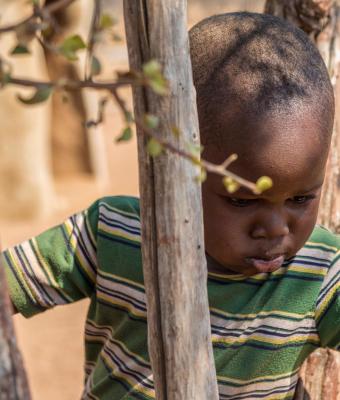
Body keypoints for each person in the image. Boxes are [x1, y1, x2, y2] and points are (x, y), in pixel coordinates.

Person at [2, 12, 339, 400]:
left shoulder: (319, 273)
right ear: (179, 165)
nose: (277, 228)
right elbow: (11, 282)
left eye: (301, 198)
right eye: (242, 200)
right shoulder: (114, 233)